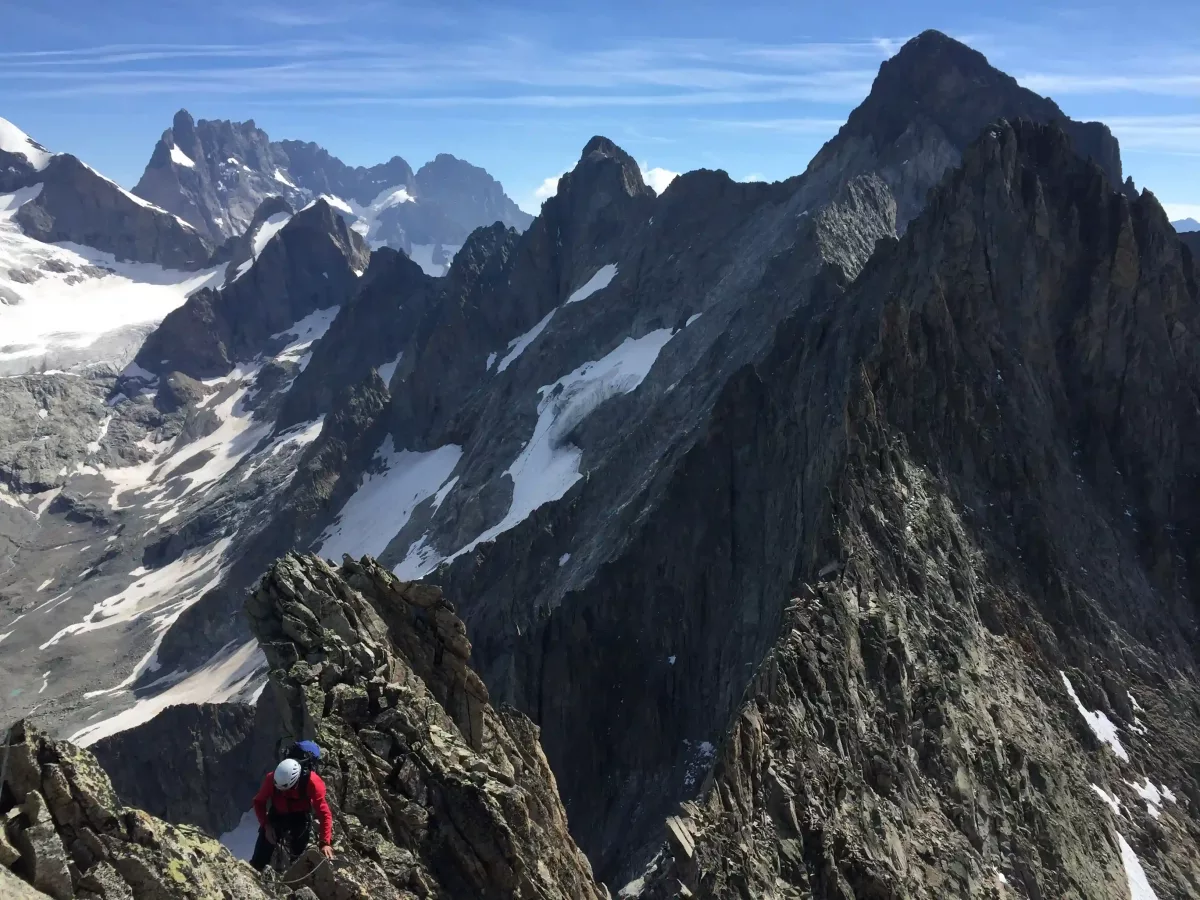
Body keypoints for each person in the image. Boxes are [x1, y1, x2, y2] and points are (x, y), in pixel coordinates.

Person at [249, 745, 334, 871]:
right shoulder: (271, 779)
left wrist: (325, 842)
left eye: (287, 789)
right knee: (261, 854)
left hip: (300, 817)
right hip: (277, 814)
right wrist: (266, 825)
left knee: (298, 855)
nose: (284, 792)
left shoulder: (313, 783)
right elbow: (259, 802)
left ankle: (295, 870)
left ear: (296, 782)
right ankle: (256, 869)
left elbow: (324, 813)